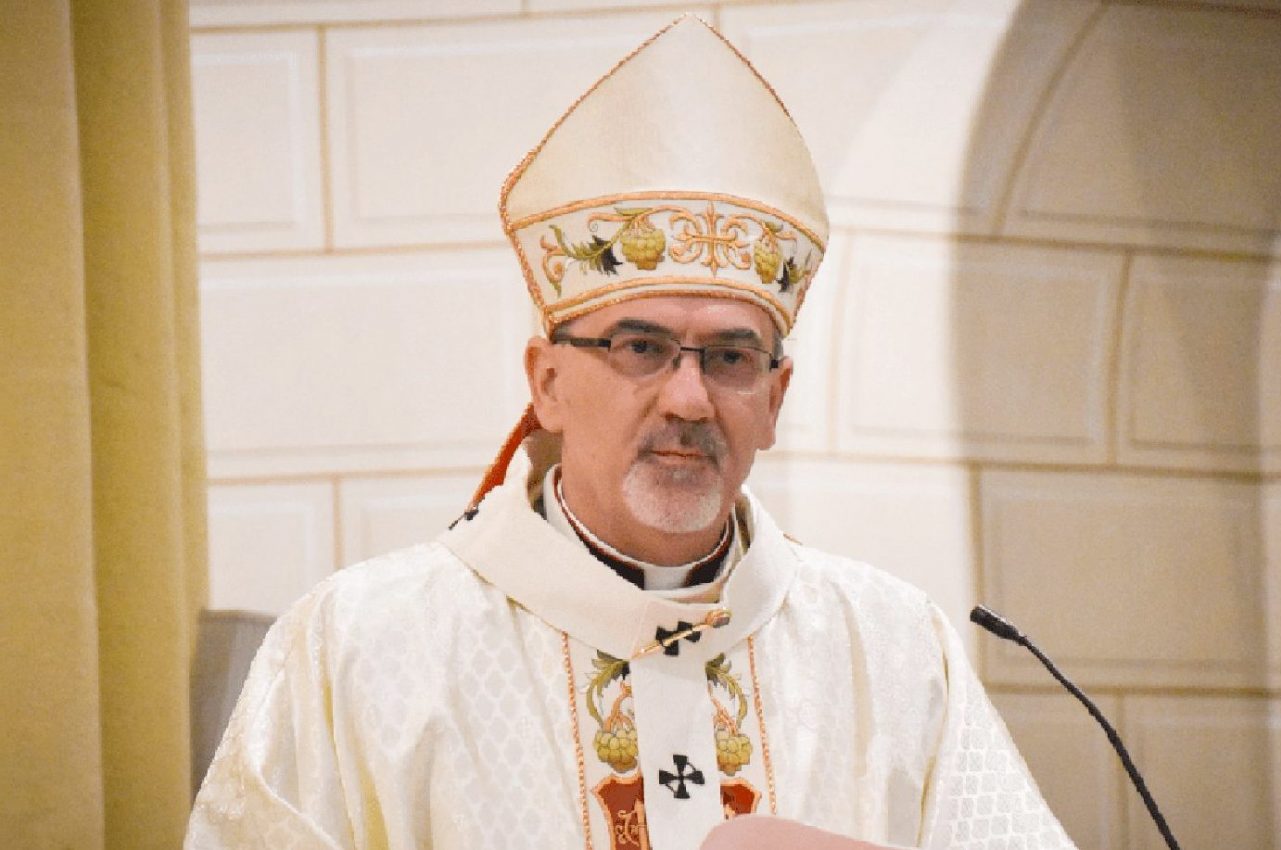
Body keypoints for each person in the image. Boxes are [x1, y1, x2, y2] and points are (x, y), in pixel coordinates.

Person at [187, 15, 1075, 850]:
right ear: (547, 384)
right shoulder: (360, 647)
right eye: (640, 347)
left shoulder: (893, 652)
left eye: (730, 357)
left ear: (775, 399)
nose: (689, 398)